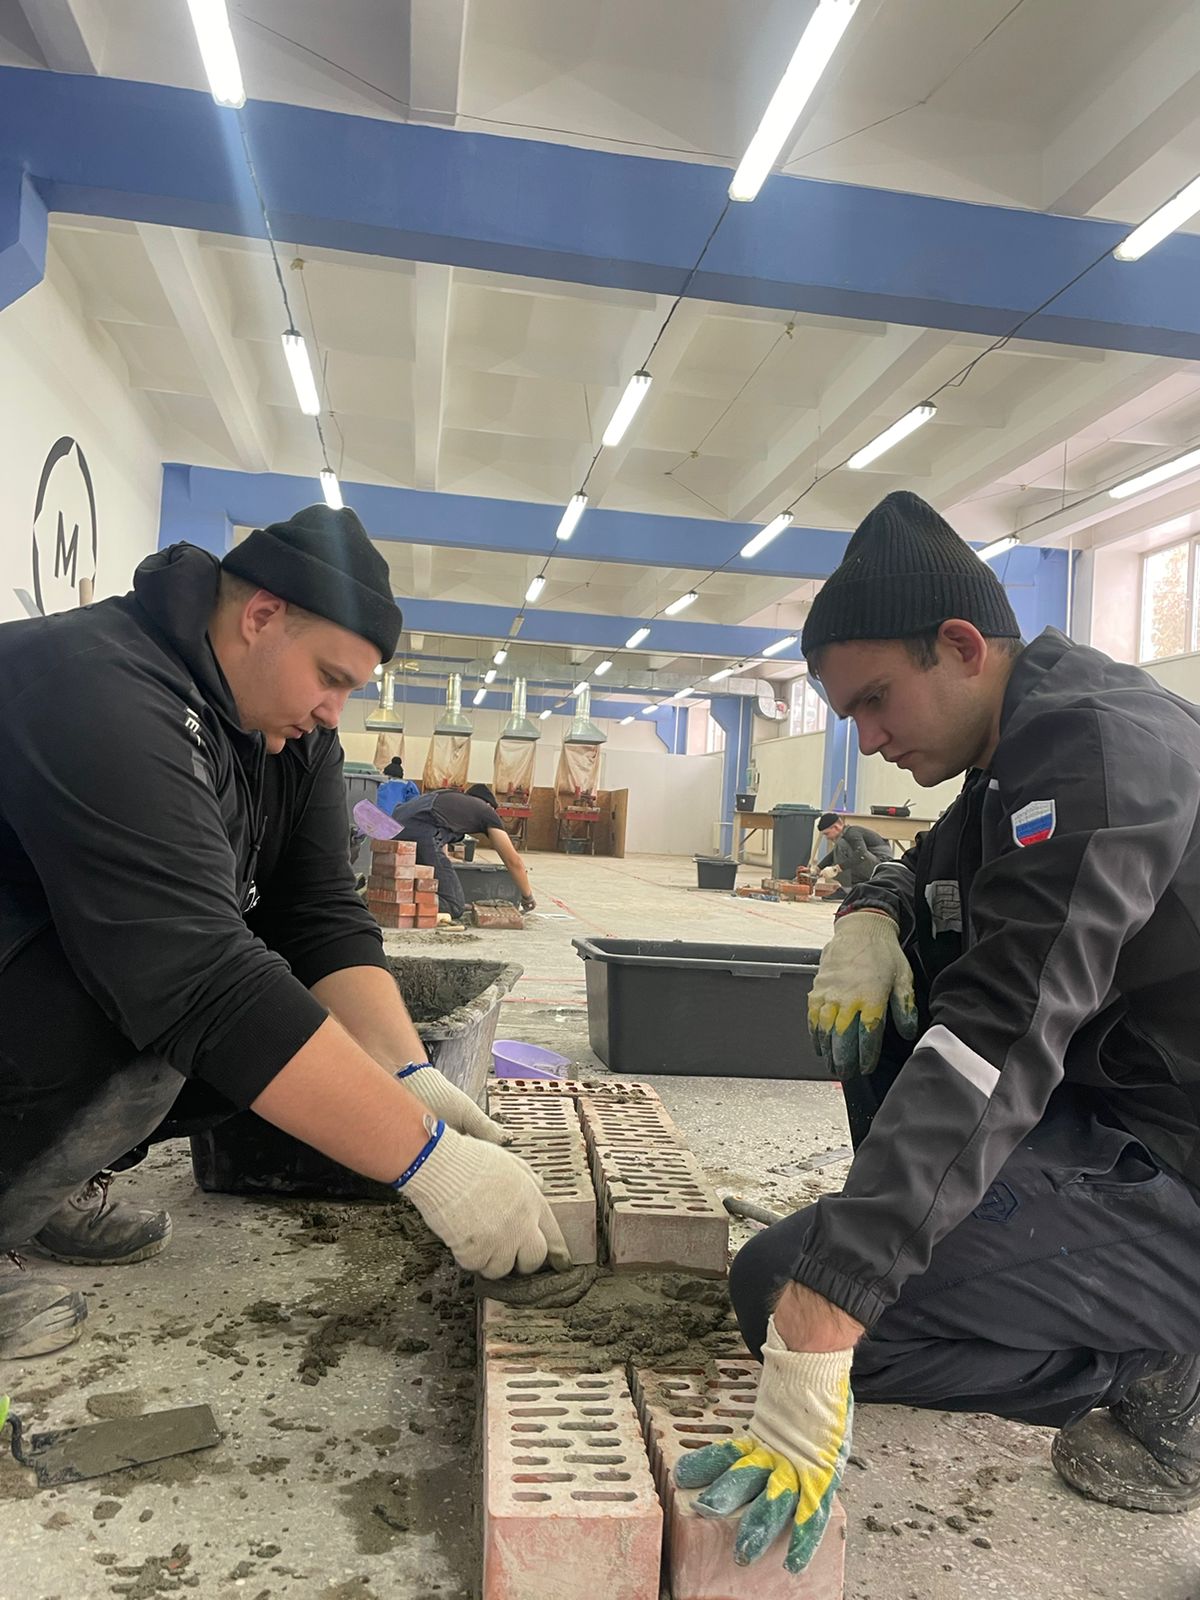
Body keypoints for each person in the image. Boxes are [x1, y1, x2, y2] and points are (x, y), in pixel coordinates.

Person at [677, 489, 1200, 1576]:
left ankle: (1161, 1361)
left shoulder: (1097, 748)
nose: (867, 740)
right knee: (893, 996)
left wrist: (833, 1299)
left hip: (1180, 1165)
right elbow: (929, 868)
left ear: (961, 646)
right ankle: (992, 1264)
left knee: (788, 1293)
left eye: (875, 701)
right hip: (1122, 1112)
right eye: (847, 716)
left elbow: (1001, 1034)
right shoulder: (1015, 750)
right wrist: (870, 917)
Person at [0, 505, 568, 1360]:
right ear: (261, 616)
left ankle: (43, 1189)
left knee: (266, 1021)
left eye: (351, 690)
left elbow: (317, 913)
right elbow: (194, 971)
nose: (335, 711)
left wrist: (407, 1074)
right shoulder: (97, 683)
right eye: (329, 677)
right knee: (160, 1014)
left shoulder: (289, 735)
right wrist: (433, 1167)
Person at [390, 783, 536, 922]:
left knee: (424, 884)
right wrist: (527, 896)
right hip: (422, 833)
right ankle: (401, 899)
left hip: (393, 830)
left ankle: (391, 894)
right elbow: (513, 860)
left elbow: (440, 839)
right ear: (489, 805)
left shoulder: (447, 797)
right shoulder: (485, 810)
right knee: (454, 905)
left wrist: (444, 868)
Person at [813, 812, 892, 895]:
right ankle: (856, 888)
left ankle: (847, 890)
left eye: (827, 834)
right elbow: (833, 855)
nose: (827, 838)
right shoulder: (847, 835)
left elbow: (861, 854)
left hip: (881, 868)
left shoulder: (852, 833)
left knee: (842, 844)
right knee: (841, 848)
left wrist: (836, 869)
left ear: (836, 827)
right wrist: (817, 869)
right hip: (874, 864)